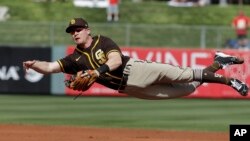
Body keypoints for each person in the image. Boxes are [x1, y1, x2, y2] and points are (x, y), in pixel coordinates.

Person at [23, 18, 249, 100]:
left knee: (185, 74)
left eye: (78, 29)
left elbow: (115, 61)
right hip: (130, 88)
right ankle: (220, 62)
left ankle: (231, 82)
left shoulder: (103, 41)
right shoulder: (75, 59)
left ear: (87, 30)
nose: (75, 32)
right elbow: (51, 66)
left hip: (136, 70)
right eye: (71, 30)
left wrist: (95, 73)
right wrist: (35, 65)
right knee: (187, 89)